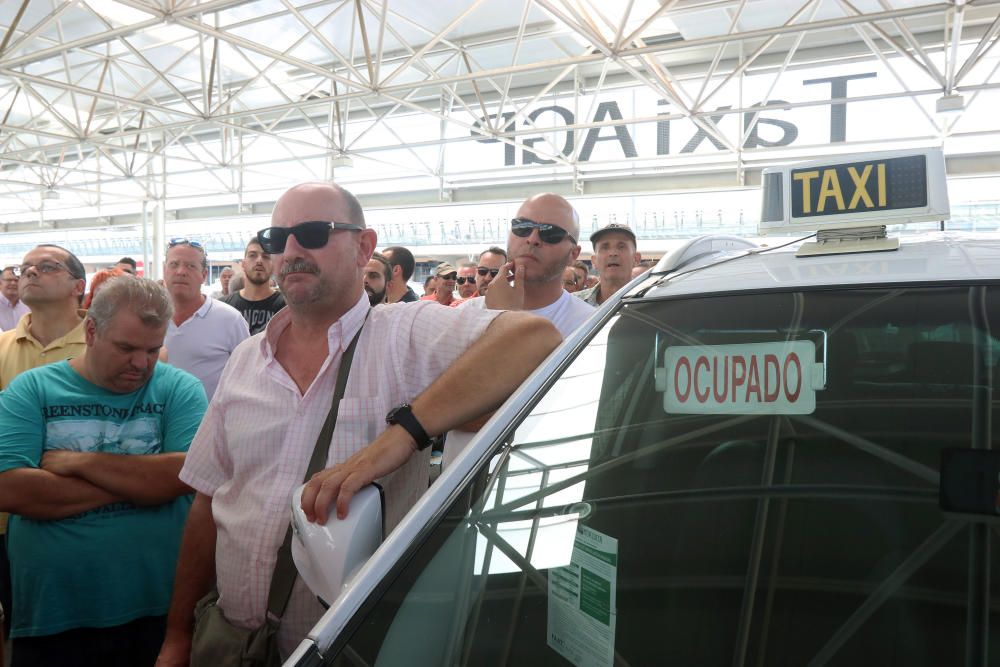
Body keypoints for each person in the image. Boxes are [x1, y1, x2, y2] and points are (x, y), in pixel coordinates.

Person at [157, 182, 560, 664]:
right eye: (277, 237)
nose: (290, 251)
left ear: (363, 247)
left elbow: (536, 337)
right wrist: (178, 635)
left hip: (349, 648)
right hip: (230, 642)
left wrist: (402, 435)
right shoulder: (246, 358)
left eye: (312, 233)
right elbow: (208, 501)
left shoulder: (402, 333)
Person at [0, 277, 208, 667]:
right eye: (126, 348)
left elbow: (185, 474)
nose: (141, 363)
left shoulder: (180, 388)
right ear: (91, 331)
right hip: (53, 616)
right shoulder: (31, 390)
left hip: (158, 609)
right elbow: (11, 489)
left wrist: (82, 464)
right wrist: (144, 483)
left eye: (152, 348)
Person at [460, 193, 595, 338]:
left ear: (573, 254)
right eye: (522, 227)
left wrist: (505, 319)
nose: (532, 239)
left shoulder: (589, 326)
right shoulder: (465, 315)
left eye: (550, 233)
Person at [162, 239, 249, 400]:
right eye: (174, 264)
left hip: (211, 423)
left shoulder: (230, 320)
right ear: (164, 270)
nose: (181, 271)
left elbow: (248, 376)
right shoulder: (149, 317)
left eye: (190, 266)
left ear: (204, 275)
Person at [221, 239, 286, 335]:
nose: (259, 260)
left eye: (266, 256)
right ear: (243, 264)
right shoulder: (224, 306)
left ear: (273, 266)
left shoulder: (285, 307)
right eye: (252, 255)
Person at [576, 223, 641, 306]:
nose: (613, 253)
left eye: (621, 247)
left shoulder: (653, 301)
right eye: (605, 247)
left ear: (636, 258)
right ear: (594, 261)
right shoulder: (573, 304)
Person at [0, 266, 29, 331]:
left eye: (17, 280)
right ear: (0, 283)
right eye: (9, 280)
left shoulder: (29, 305)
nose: (13, 283)